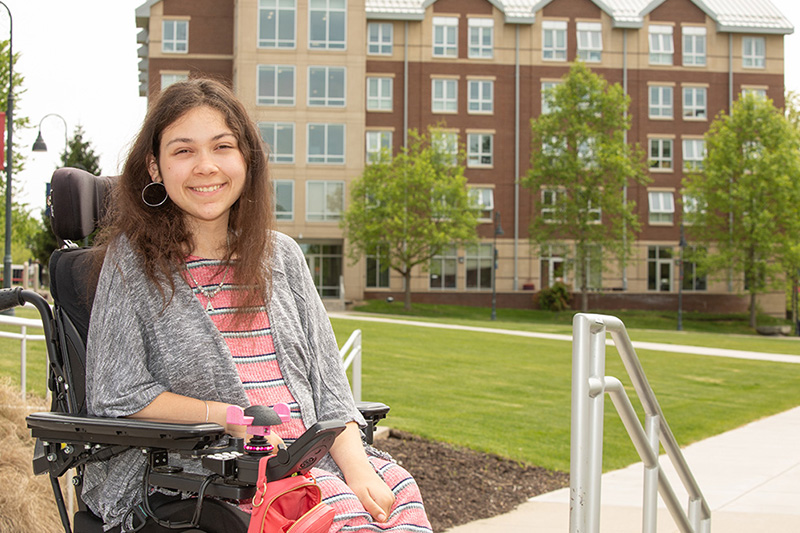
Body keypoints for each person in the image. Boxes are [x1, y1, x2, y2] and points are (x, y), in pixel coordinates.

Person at [82, 78, 432, 533]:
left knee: (400, 495)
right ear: (155, 168)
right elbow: (116, 393)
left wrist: (361, 470)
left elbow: (331, 392)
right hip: (207, 472)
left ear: (246, 158)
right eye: (183, 150)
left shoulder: (281, 256)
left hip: (311, 455)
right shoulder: (133, 263)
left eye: (222, 146)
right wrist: (230, 418)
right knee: (340, 512)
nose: (206, 166)